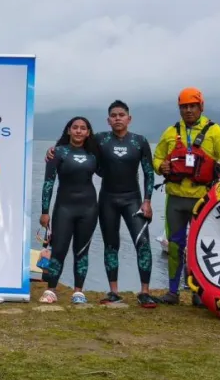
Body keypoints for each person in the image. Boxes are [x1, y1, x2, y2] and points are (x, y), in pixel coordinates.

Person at [45, 100, 158, 307]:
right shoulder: (100, 140)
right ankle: (114, 292)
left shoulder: (139, 142)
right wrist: (53, 151)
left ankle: (145, 291)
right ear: (108, 120)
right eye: (113, 115)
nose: (117, 118)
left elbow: (149, 172)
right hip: (107, 199)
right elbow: (76, 146)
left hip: (133, 199)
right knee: (111, 245)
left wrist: (147, 201)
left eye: (121, 115)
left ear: (129, 119)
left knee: (142, 244)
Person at [153, 87, 220, 305]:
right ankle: (173, 292)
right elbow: (157, 157)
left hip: (202, 200)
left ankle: (197, 293)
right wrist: (159, 167)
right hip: (175, 200)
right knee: (174, 245)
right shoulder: (171, 133)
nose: (188, 110)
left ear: (201, 106)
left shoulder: (214, 132)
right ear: (179, 109)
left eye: (192, 106)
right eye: (184, 107)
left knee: (200, 246)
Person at [39, 116, 101, 305]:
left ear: (88, 132)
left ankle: (78, 292)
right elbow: (48, 183)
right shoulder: (57, 152)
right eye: (75, 127)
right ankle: (50, 290)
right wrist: (44, 211)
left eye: (83, 128)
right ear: (69, 130)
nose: (79, 131)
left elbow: (112, 171)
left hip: (89, 208)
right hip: (64, 208)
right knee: (58, 249)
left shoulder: (94, 154)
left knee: (82, 250)